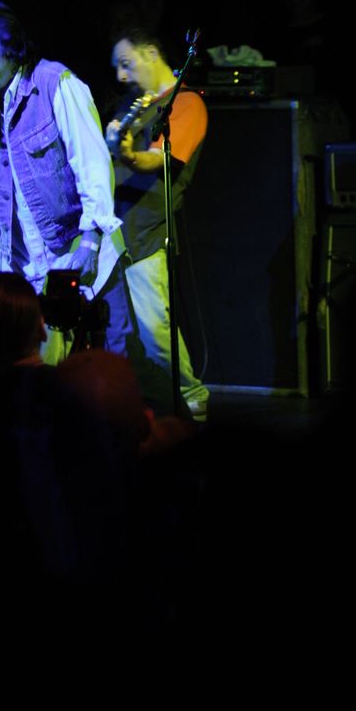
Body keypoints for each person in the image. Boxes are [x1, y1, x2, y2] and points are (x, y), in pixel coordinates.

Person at [0, 0, 140, 367]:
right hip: (22, 271)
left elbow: (93, 166)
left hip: (82, 253)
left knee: (106, 370)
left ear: (11, 49)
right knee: (15, 373)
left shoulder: (55, 83)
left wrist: (90, 242)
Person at [106, 26, 210, 420]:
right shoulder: (133, 103)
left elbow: (160, 158)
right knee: (119, 332)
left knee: (155, 331)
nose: (121, 75)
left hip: (148, 233)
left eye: (126, 63)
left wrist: (128, 155)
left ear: (151, 53)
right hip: (115, 230)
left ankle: (191, 397)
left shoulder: (187, 104)